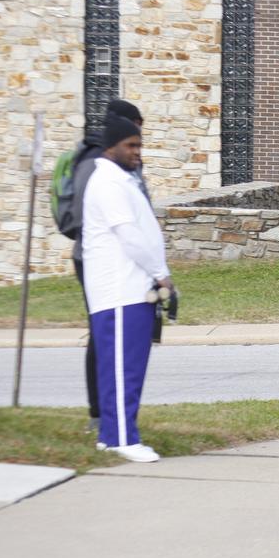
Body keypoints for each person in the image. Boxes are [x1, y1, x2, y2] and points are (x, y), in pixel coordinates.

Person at [81, 115, 171, 463]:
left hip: (130, 288)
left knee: (122, 366)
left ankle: (110, 435)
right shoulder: (108, 182)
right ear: (110, 147)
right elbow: (128, 235)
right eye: (130, 145)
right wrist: (161, 273)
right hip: (120, 289)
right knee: (123, 368)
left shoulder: (120, 179)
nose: (137, 151)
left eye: (139, 145)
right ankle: (121, 438)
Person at [71, 100, 148, 433]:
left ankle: (112, 413)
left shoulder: (120, 162)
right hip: (100, 260)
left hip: (121, 260)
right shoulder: (97, 164)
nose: (139, 138)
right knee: (103, 334)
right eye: (135, 128)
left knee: (114, 334)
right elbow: (88, 218)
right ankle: (100, 414)